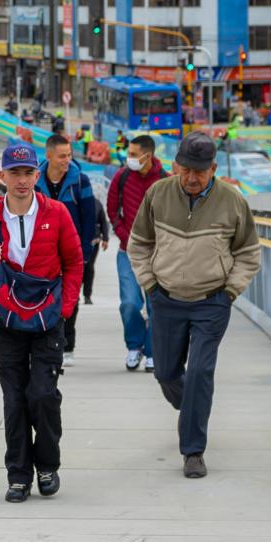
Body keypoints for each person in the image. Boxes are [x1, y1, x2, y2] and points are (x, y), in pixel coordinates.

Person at [127, 132, 262, 479]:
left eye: (199, 172)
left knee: (201, 372)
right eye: (185, 169)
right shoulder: (158, 194)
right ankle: (190, 408)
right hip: (166, 299)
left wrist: (230, 292)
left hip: (211, 302)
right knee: (166, 373)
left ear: (213, 169)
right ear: (175, 166)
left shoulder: (232, 201)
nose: (191, 178)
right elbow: (138, 244)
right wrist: (151, 285)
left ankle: (193, 451)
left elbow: (248, 254)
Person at [0, 141, 84, 503]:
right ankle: (18, 475)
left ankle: (47, 465)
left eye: (27, 173)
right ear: (2, 176)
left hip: (48, 319)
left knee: (43, 395)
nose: (21, 180)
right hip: (5, 318)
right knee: (14, 398)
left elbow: (75, 263)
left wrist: (64, 310)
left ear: (37, 174)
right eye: (13, 173)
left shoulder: (58, 212)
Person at [105, 134, 166, 372]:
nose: (128, 158)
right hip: (127, 252)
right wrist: (124, 235)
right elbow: (112, 211)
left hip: (157, 254)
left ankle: (152, 352)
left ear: (147, 156)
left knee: (156, 306)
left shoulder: (165, 181)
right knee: (129, 303)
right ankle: (134, 346)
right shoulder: (121, 177)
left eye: (132, 154)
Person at [36, 134, 98, 368]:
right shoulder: (35, 181)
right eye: (62, 156)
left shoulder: (80, 181)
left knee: (69, 301)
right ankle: (45, 345)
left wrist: (83, 254)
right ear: (48, 155)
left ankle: (67, 345)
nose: (67, 160)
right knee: (42, 299)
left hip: (72, 255)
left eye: (69, 155)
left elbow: (89, 219)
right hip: (41, 255)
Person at [85, 204, 109, 306]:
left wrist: (105, 239)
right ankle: (74, 295)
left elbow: (103, 222)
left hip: (94, 241)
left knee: (89, 266)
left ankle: (87, 295)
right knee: (78, 268)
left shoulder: (97, 203)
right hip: (76, 239)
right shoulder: (75, 201)